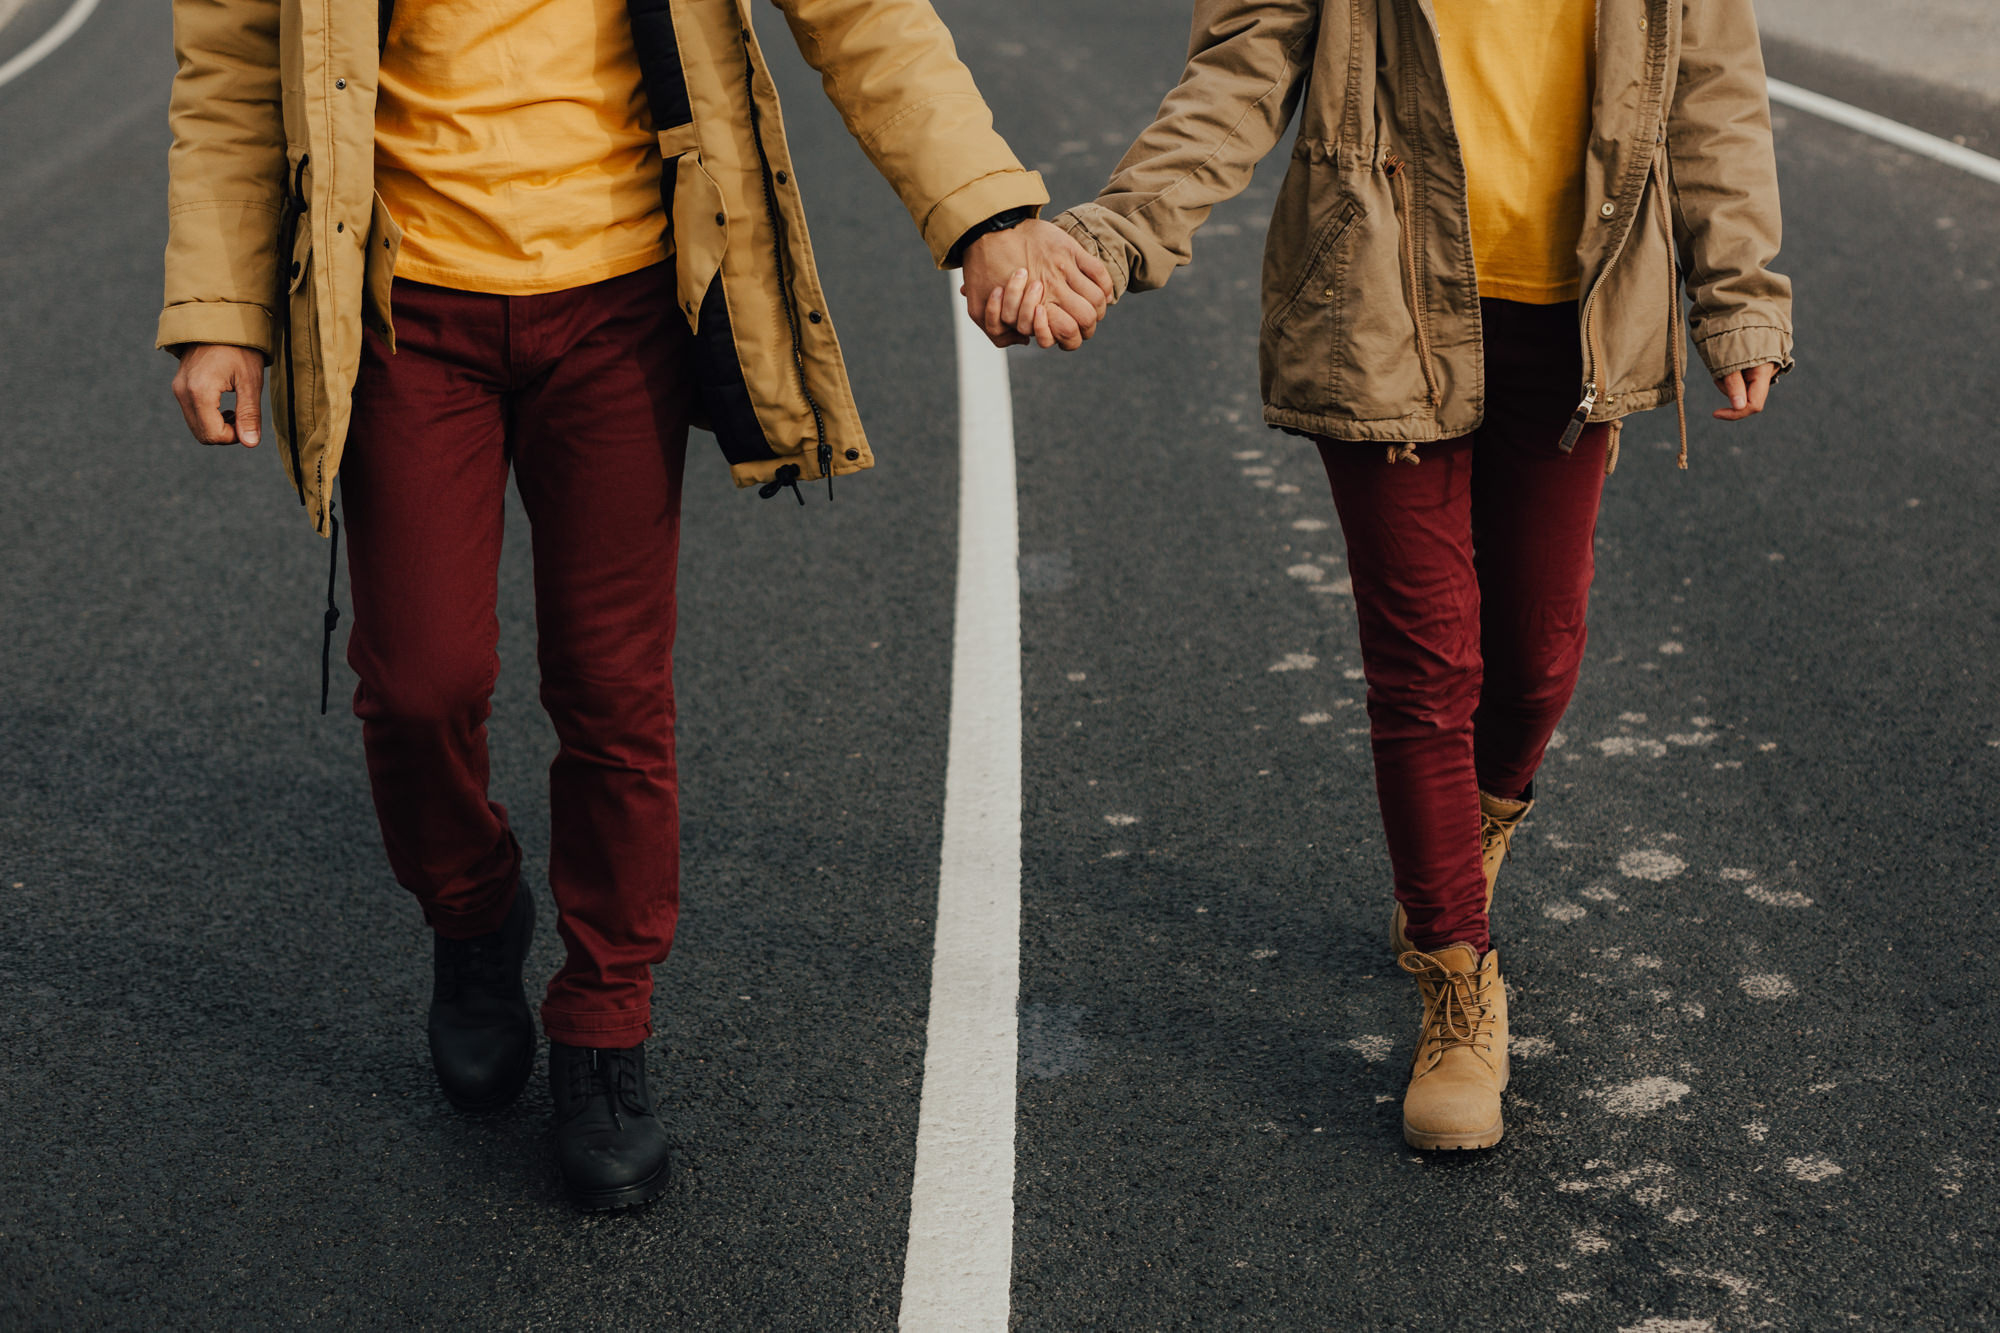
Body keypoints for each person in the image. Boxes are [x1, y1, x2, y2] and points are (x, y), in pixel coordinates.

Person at [162, 0, 1110, 1210]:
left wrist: (984, 211)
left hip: (619, 301)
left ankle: (604, 1025)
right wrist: (220, 310)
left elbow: (862, 17)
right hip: (400, 299)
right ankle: (471, 913)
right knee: (417, 686)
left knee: (612, 690)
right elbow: (235, 64)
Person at [1042, 0, 1791, 1149]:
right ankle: (1454, 978)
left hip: (1573, 308)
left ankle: (1470, 832)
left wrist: (1736, 296)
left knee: (1536, 657)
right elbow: (1234, 75)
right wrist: (1114, 234)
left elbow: (1712, 95)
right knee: (1427, 658)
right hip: (1380, 292)